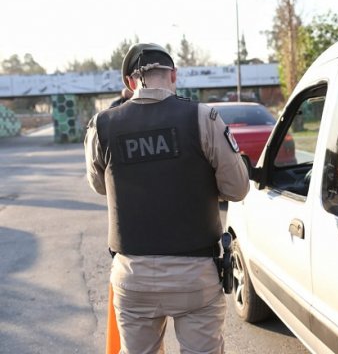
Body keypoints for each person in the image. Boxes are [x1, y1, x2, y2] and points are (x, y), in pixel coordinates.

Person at [84, 43, 249, 354]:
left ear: (129, 83)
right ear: (174, 75)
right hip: (195, 275)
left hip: (133, 276)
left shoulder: (102, 126)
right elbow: (237, 189)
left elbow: (100, 186)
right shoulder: (204, 118)